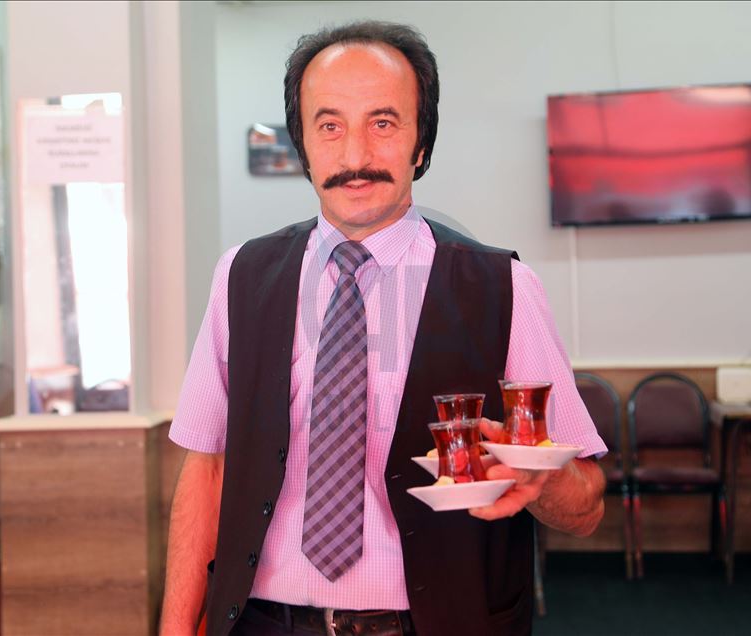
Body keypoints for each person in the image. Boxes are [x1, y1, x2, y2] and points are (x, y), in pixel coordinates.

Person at [161, 21, 606, 636]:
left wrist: (541, 477)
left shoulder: (504, 288)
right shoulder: (240, 277)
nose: (354, 158)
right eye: (329, 126)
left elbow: (587, 507)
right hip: (261, 623)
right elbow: (206, 471)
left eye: (383, 123)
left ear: (421, 143)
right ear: (302, 145)